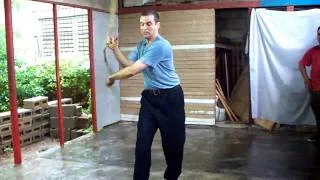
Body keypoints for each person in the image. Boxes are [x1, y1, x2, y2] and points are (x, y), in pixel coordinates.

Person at [105, 10, 185, 180]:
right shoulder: (141, 45)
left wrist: (113, 77)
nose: (144, 28)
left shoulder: (161, 46)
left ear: (157, 25)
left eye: (149, 24)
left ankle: (172, 176)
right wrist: (115, 49)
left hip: (170, 99)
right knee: (142, 144)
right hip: (149, 100)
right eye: (142, 24)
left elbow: (132, 71)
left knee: (173, 145)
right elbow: (129, 64)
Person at [299, 26, 320, 143]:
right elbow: (301, 64)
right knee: (318, 114)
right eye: (319, 34)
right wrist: (306, 79)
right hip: (316, 90)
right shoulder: (313, 51)